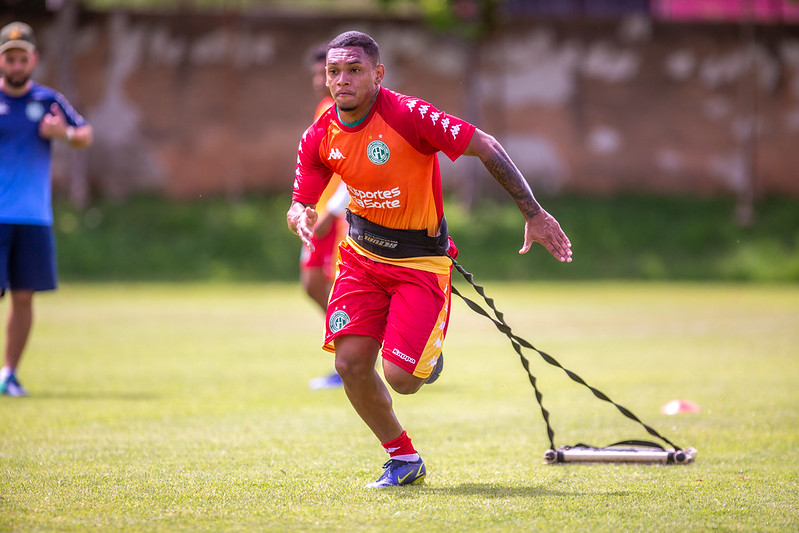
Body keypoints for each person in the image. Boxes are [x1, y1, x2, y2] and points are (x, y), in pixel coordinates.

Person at [286, 31, 571, 488]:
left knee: (402, 378)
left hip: (420, 264)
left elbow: (486, 145)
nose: (342, 80)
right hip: (360, 258)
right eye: (334, 72)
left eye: (354, 70)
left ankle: (425, 354)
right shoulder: (320, 133)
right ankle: (402, 459)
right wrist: (298, 213)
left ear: (378, 75)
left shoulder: (408, 115)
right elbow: (302, 198)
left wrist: (534, 214)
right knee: (350, 365)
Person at [0, 21, 93, 397]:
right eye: (10, 59)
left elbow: (84, 134)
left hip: (34, 217)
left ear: (33, 59)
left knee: (24, 296)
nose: (17, 65)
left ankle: (9, 374)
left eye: (23, 58)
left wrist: (63, 134)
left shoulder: (48, 100)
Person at [301, 44, 351, 390]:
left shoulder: (352, 112)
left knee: (343, 289)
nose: (323, 80)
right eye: (323, 73)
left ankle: (350, 361)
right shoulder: (324, 109)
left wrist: (332, 210)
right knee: (313, 284)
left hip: (341, 215)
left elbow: (354, 170)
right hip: (319, 212)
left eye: (329, 72)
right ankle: (353, 349)